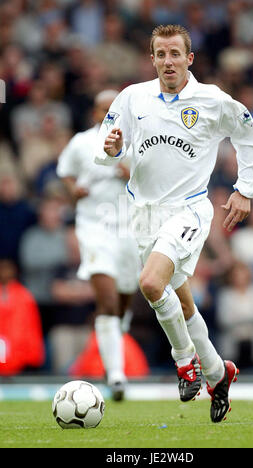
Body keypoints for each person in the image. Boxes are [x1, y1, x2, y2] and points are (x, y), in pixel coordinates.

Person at [95, 24, 253, 423]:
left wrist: (245, 189)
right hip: (142, 212)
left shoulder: (211, 100)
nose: (167, 61)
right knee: (179, 301)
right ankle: (218, 374)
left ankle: (184, 362)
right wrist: (111, 149)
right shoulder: (132, 96)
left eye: (175, 54)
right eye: (160, 54)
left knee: (151, 283)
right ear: (152, 59)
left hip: (187, 210)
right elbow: (107, 145)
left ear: (190, 59)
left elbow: (249, 135)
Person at [56, 90, 140, 401]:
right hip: (94, 228)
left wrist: (127, 172)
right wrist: (73, 190)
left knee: (125, 298)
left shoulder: (137, 142)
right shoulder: (80, 143)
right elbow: (65, 172)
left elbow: (153, 180)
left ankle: (115, 342)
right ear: (94, 112)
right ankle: (116, 374)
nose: (108, 114)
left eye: (113, 109)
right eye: (103, 109)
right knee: (106, 298)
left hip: (131, 228)